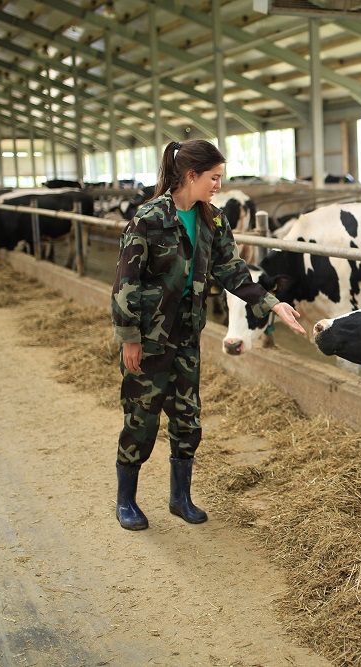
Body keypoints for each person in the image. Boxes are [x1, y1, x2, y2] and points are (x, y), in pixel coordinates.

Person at [110, 139, 305, 531]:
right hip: (148, 339)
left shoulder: (213, 221)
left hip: (186, 336)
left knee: (188, 420)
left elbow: (232, 271)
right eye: (214, 177)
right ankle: (126, 501)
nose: (219, 185)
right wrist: (128, 337)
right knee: (141, 419)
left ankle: (180, 498)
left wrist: (272, 303)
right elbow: (124, 282)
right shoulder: (148, 219)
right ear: (191, 175)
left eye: (221, 177)